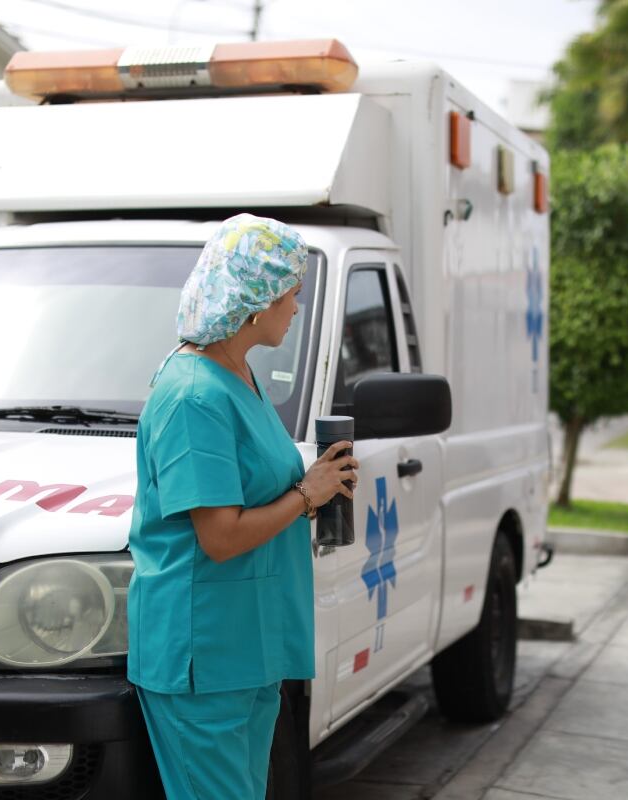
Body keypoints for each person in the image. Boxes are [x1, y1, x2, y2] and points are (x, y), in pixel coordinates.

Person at [127, 214, 359, 799]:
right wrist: (309, 495)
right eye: (293, 295)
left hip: (245, 649)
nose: (296, 309)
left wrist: (316, 485)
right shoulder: (193, 395)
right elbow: (220, 537)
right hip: (202, 657)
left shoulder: (237, 374)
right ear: (256, 302)